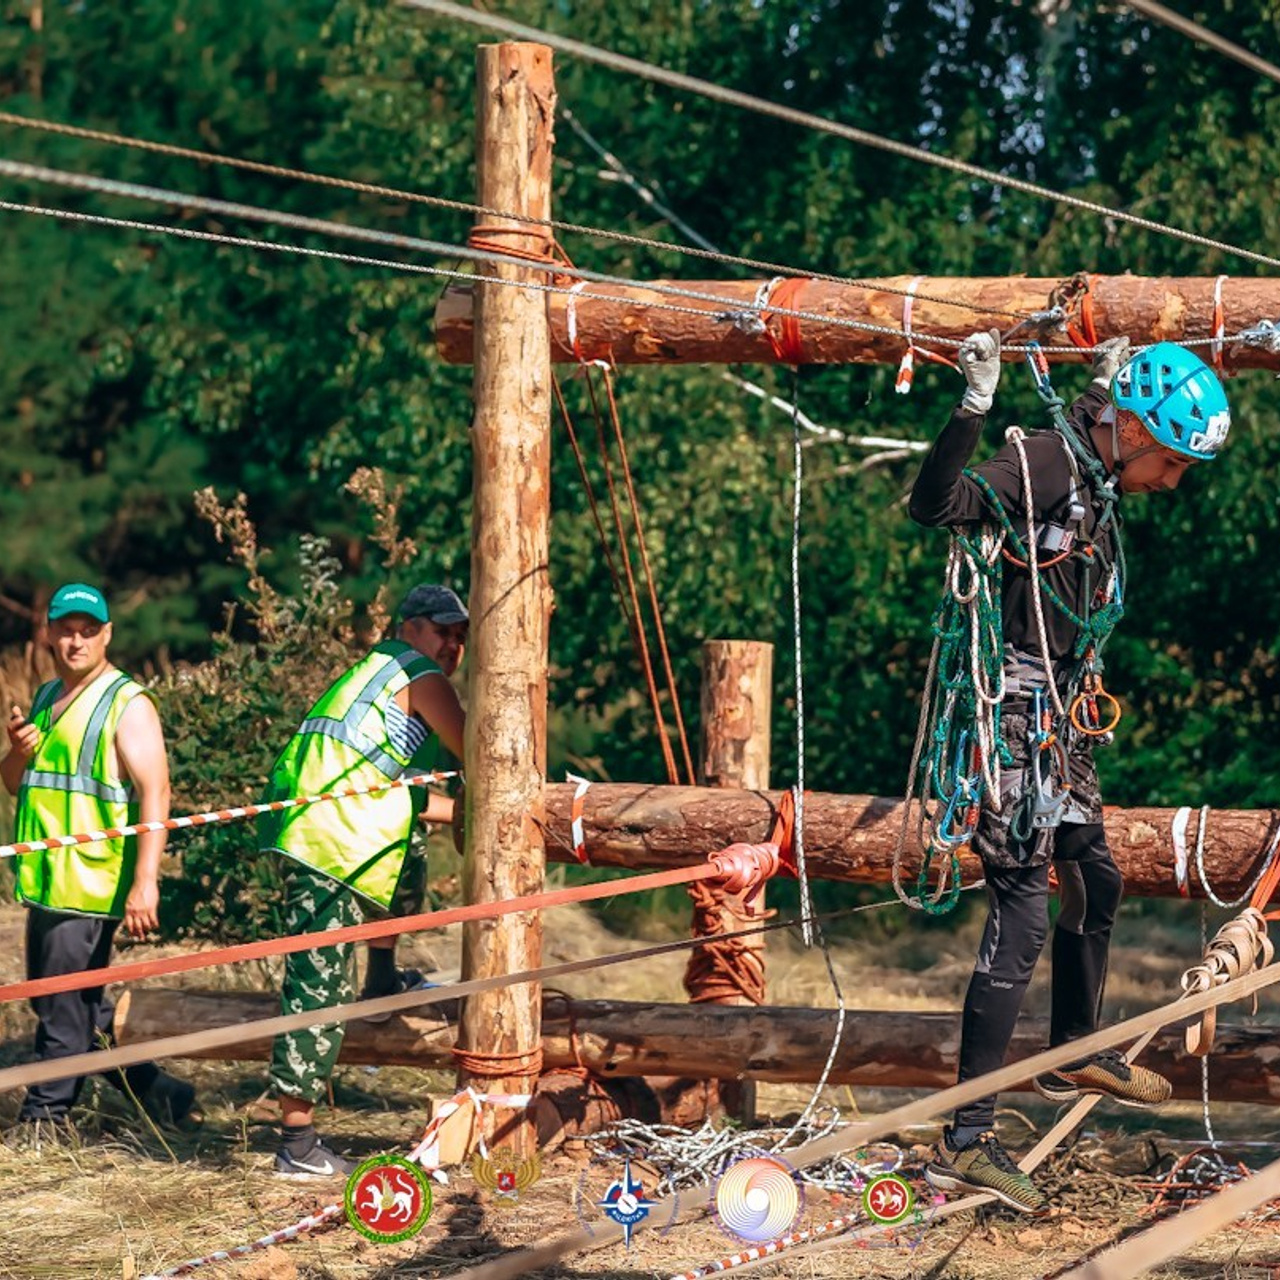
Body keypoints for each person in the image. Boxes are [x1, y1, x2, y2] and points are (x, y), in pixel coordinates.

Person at [908, 333, 1230, 1214]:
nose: (1169, 483)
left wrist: (1096, 386)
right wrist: (971, 409)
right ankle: (964, 1142)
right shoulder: (1048, 464)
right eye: (1167, 462)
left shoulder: (1090, 463)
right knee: (1021, 911)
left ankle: (1077, 1047)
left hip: (1060, 717)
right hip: (1010, 716)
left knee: (1094, 873)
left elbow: (1087, 451)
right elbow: (935, 505)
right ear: (1129, 430)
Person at [259, 583, 467, 1177]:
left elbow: (407, 793)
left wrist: (459, 813)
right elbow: (479, 750)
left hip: (331, 832)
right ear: (410, 626)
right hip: (332, 841)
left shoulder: (371, 674)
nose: (452, 644)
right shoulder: (417, 672)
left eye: (459, 636)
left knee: (414, 858)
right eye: (442, 629)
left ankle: (380, 981)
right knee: (317, 986)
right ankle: (296, 1143)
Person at [1, 583, 196, 1142]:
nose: (76, 639)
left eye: (89, 629)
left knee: (62, 1007)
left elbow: (156, 791)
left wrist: (145, 882)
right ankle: (161, 1093)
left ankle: (46, 1121)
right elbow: (17, 784)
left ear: (108, 634)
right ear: (49, 633)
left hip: (90, 883)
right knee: (70, 1004)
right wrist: (16, 752)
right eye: (66, 628)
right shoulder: (44, 698)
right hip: (46, 884)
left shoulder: (126, 703)